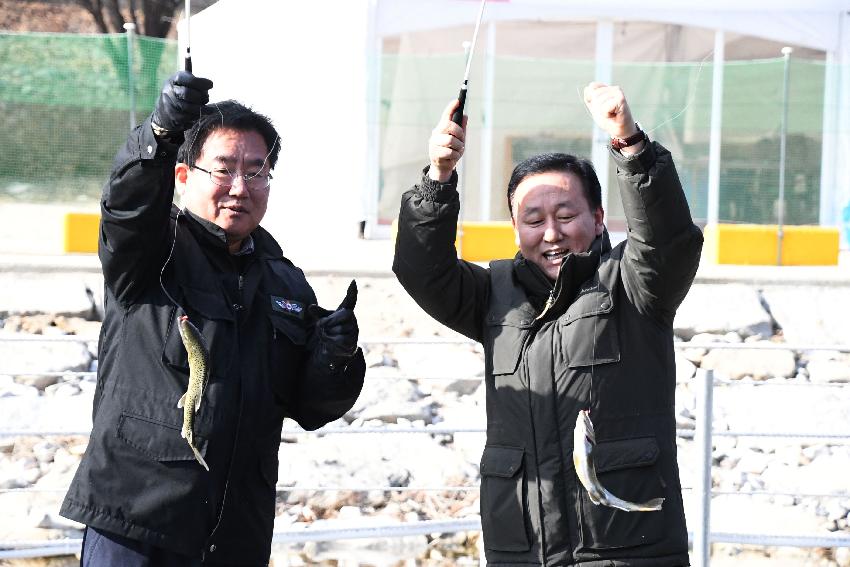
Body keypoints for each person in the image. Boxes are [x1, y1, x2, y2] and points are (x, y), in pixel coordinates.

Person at [60, 71, 366, 567]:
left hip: (235, 532)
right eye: (222, 169)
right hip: (136, 523)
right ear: (183, 177)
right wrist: (159, 135)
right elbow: (127, 206)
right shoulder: (152, 251)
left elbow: (312, 408)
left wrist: (336, 358)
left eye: (256, 171)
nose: (240, 188)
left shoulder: (285, 281)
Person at [393, 82, 703, 566]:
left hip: (628, 552)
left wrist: (630, 142)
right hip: (523, 551)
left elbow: (669, 239)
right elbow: (421, 270)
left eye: (566, 214)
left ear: (599, 218)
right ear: (515, 227)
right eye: (533, 219)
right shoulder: (491, 294)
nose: (552, 233)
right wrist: (438, 176)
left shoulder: (635, 284)